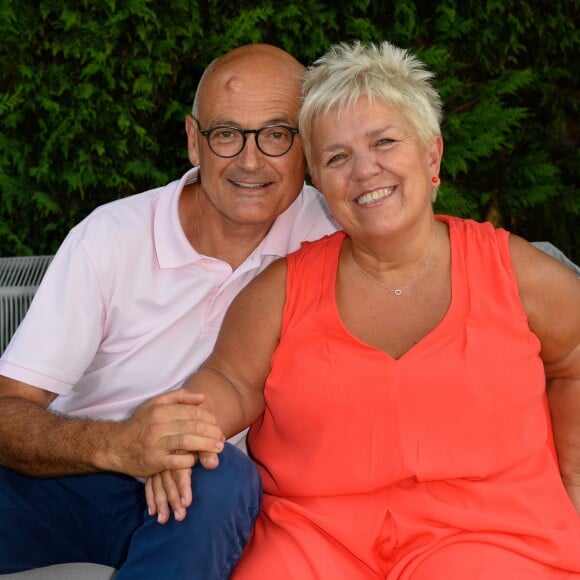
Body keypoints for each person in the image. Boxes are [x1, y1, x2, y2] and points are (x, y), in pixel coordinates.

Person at [147, 41, 580, 579]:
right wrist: (181, 432)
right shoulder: (281, 290)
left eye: (385, 143)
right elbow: (231, 381)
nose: (364, 171)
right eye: (337, 157)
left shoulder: (513, 273)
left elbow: (575, 357)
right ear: (320, 184)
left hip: (490, 539)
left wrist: (573, 483)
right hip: (311, 541)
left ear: (432, 155)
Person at [0, 44, 337, 577]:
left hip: (205, 497)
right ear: (193, 142)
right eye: (226, 134)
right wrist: (121, 446)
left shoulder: (334, 239)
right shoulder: (110, 238)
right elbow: (7, 409)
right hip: (78, 475)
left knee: (221, 476)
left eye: (277, 134)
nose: (251, 161)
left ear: (309, 144)